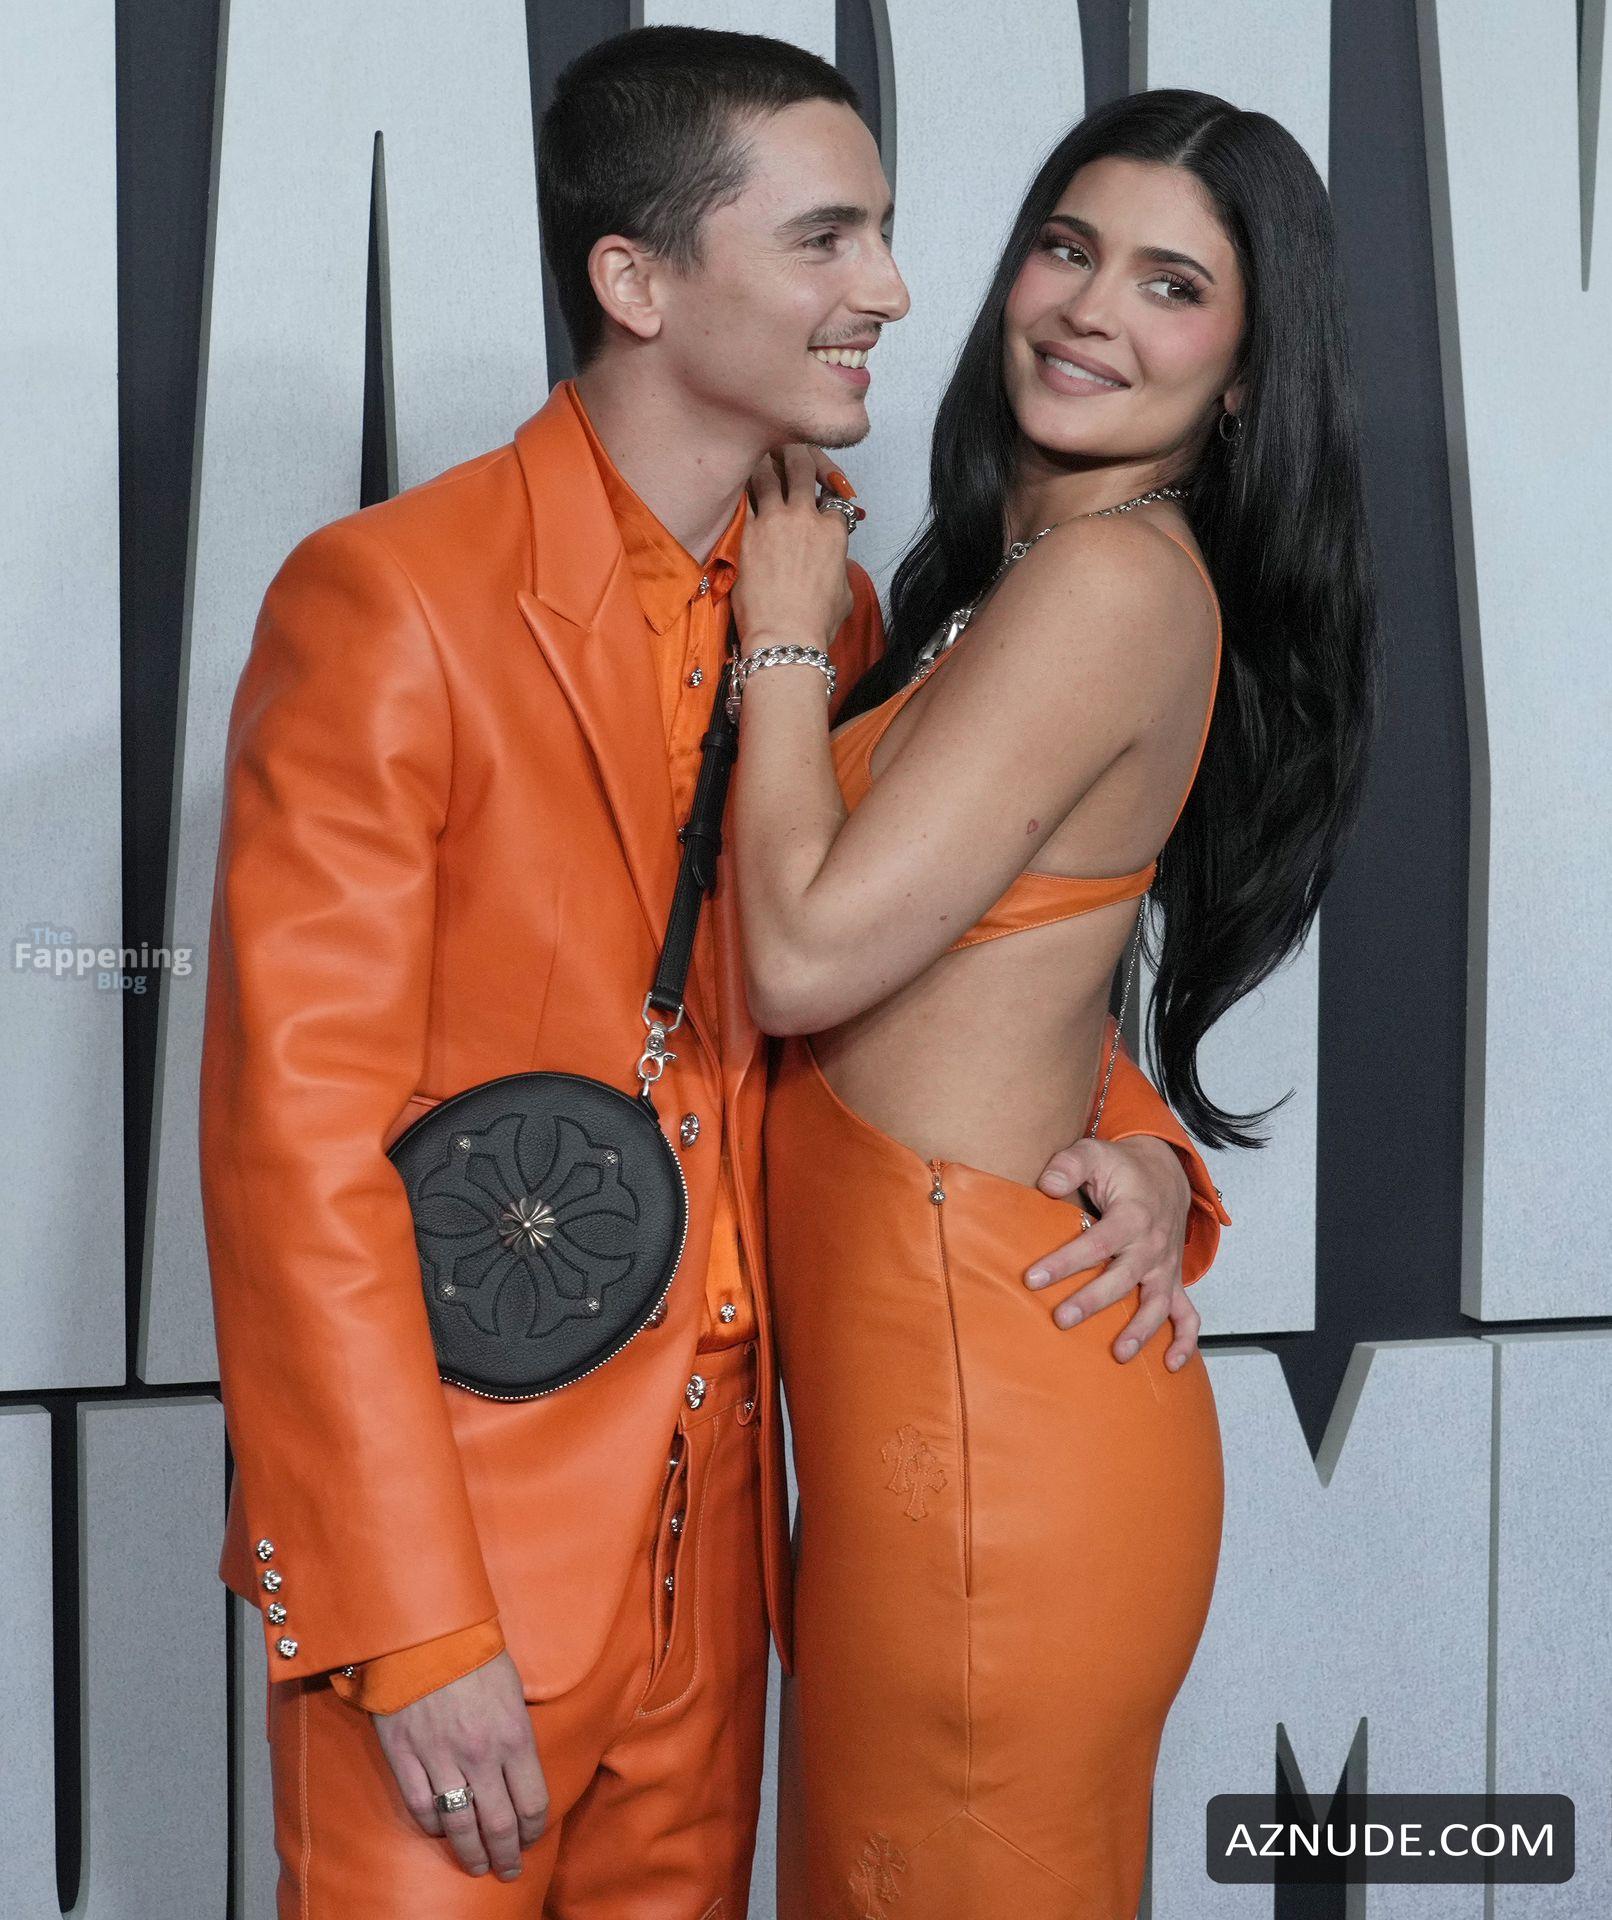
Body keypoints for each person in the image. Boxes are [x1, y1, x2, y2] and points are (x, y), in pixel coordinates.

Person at [197, 33, 1232, 1918]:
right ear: (638, 280)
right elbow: (295, 1152)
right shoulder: (395, 602)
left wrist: (1136, 1141)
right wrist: (404, 1621)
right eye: (828, 238)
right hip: (471, 1557)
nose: (893, 291)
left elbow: (949, 947)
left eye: (888, 233)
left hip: (738, 1551)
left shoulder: (822, 607)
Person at [728, 88, 1381, 1918]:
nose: (1093, 310)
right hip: (924, 1406)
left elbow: (800, 959)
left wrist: (783, 632)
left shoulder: (1108, 581)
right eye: (1068, 250)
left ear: (1247, 376)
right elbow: (1017, 965)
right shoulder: (1005, 582)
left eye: (1174, 286)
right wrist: (1146, 1146)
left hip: (979, 1442)